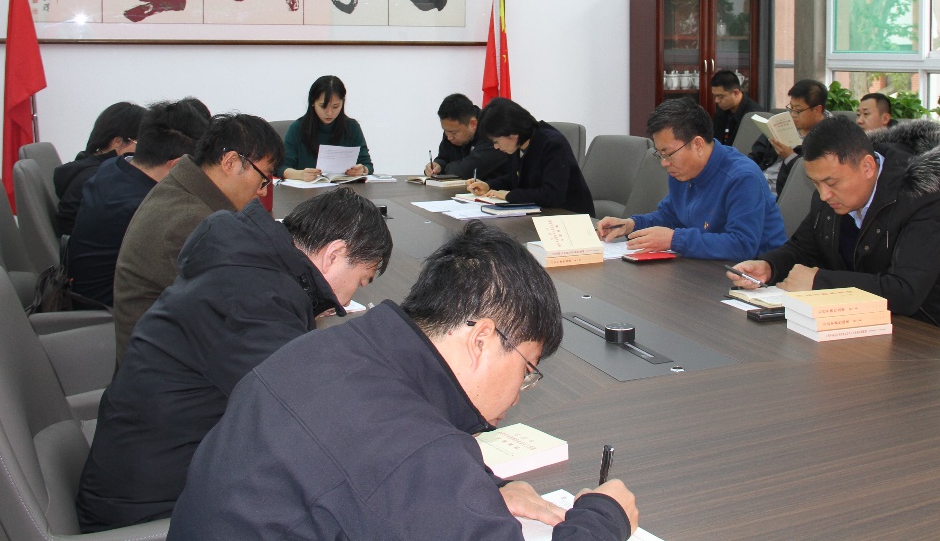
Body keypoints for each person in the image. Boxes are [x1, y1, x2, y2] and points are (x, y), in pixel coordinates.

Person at [168, 223, 637, 541]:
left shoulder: (328, 347)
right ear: (482, 339)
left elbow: (372, 471)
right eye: (527, 369)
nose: (517, 396)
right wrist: (604, 519)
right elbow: (404, 463)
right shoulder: (417, 450)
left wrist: (483, 487)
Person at [78, 188, 392, 531]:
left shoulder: (245, 265)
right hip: (151, 509)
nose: (346, 301)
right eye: (361, 280)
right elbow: (311, 418)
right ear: (334, 254)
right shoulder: (255, 301)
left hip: (147, 472)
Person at [729, 117, 940, 340]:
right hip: (875, 327)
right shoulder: (833, 195)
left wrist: (818, 283)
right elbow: (804, 248)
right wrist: (769, 266)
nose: (823, 194)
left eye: (831, 183)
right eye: (815, 183)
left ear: (868, 167)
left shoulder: (921, 199)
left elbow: (905, 292)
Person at [112, 112, 283, 362]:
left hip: (177, 351)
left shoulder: (183, 189)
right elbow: (241, 310)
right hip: (163, 371)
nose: (262, 191)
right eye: (263, 178)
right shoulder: (191, 221)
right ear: (231, 162)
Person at [597, 98, 786, 261]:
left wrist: (674, 240)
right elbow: (670, 216)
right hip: (706, 268)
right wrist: (631, 225)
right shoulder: (682, 171)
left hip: (756, 277)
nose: (664, 163)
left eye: (668, 154)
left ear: (698, 145)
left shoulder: (742, 178)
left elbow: (742, 245)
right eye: (660, 154)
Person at [66, 98, 210, 307]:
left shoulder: (112, 168)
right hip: (111, 314)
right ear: (177, 165)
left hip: (89, 294)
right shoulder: (147, 209)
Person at [468, 98, 595, 215]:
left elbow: (552, 195)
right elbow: (517, 178)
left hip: (570, 216)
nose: (495, 147)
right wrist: (489, 185)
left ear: (512, 134)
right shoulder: (518, 145)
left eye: (496, 141)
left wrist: (510, 195)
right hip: (540, 213)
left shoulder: (552, 143)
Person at [53, 101, 146, 237]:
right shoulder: (100, 177)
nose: (146, 150)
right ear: (118, 142)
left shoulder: (87, 163)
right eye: (141, 143)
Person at [279, 75, 373, 181]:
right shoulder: (297, 129)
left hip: (344, 189)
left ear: (342, 103)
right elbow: (281, 167)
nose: (329, 113)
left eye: (335, 106)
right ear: (313, 102)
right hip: (307, 189)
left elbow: (368, 165)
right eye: (323, 106)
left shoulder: (352, 127)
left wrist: (362, 170)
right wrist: (300, 175)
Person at [750, 79, 828, 196]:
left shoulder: (828, 135)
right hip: (758, 184)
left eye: (798, 110)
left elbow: (814, 176)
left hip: (784, 194)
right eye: (791, 108)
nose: (792, 114)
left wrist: (790, 157)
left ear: (817, 110)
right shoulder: (782, 123)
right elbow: (756, 155)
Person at [423, 93, 517, 188]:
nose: (449, 137)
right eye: (446, 131)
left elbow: (467, 172)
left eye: (454, 133)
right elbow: (444, 157)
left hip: (497, 191)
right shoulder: (451, 130)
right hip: (464, 191)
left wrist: (445, 168)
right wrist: (438, 165)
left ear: (473, 124)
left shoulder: (492, 131)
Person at [709, 70, 762, 147]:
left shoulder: (754, 115)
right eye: (715, 96)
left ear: (735, 93)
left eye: (721, 97)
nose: (716, 101)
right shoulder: (722, 111)